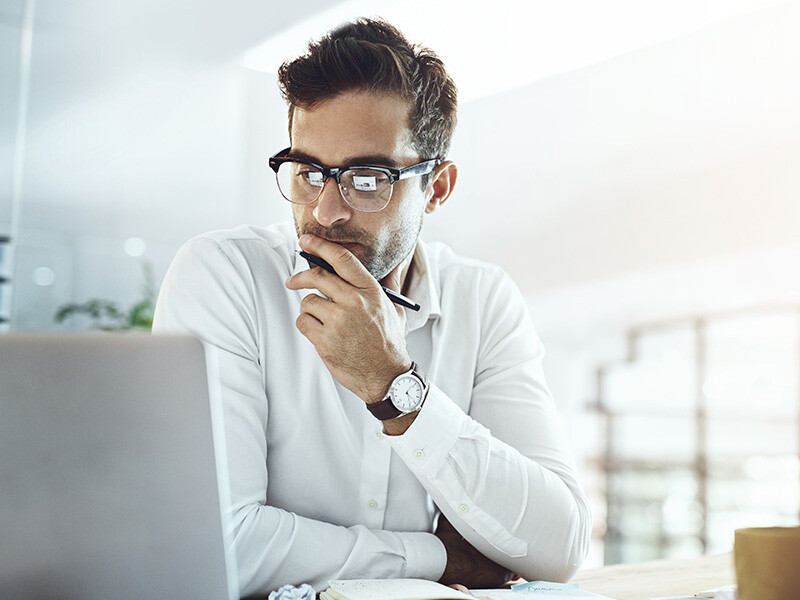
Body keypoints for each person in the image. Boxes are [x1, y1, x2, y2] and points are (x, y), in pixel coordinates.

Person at [153, 17, 591, 598]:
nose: (327, 210)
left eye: (366, 178)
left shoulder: (483, 300)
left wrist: (394, 386)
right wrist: (437, 558)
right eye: (309, 172)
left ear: (436, 187)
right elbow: (214, 546)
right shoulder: (224, 277)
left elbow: (558, 546)